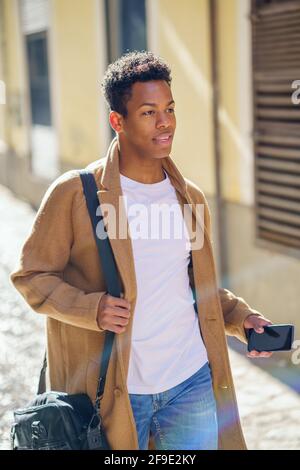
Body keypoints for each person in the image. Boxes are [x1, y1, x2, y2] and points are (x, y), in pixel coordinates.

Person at [10, 51, 273, 450]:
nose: (165, 122)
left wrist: (242, 319)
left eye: (169, 109)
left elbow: (194, 288)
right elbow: (31, 275)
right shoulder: (75, 194)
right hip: (115, 390)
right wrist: (90, 308)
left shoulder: (191, 199)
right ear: (118, 121)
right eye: (149, 112)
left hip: (192, 382)